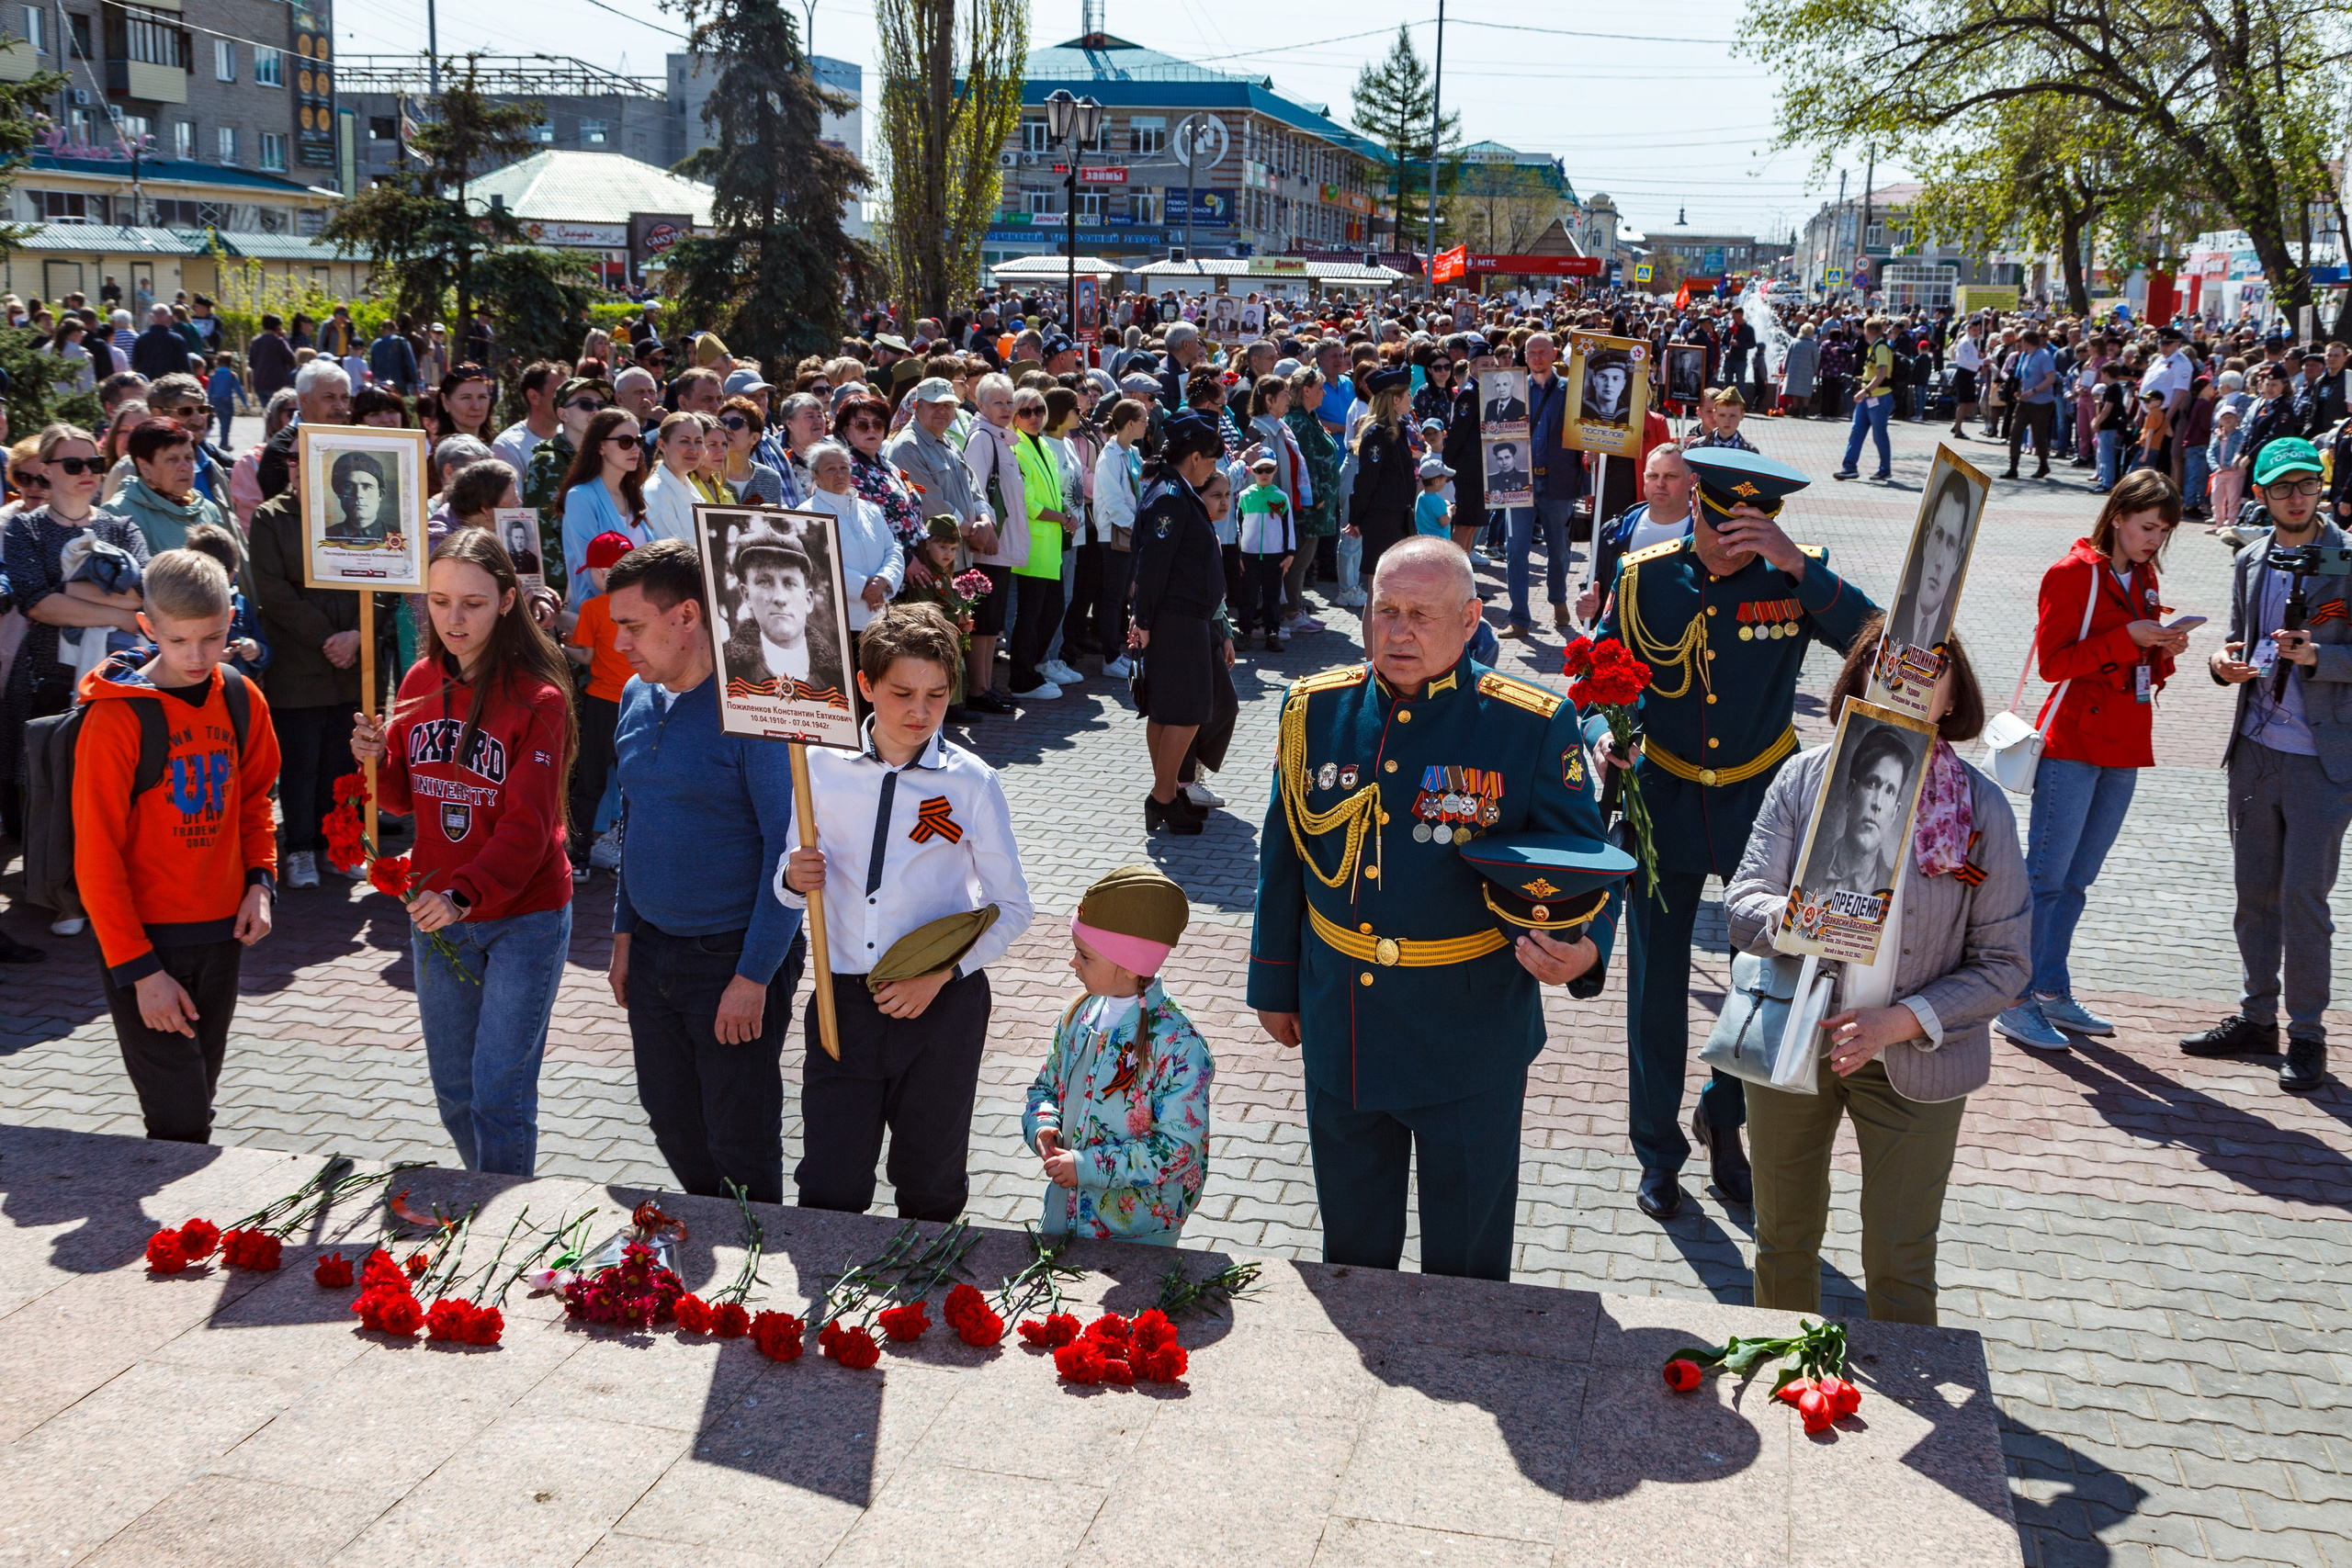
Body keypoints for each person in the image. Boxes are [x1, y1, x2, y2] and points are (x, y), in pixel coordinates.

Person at [1248, 536, 1617, 1281]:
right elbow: (1284, 852)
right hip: (1342, 1022)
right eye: (1384, 612)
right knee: (1350, 1261)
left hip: (1469, 1034)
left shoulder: (1530, 723)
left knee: (1470, 1270)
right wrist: (1275, 984)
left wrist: (1587, 950)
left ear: (1472, 618)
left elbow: (1590, 863)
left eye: (1421, 614)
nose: (1398, 632)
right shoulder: (1315, 710)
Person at [1593, 446, 1879, 1219]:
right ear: (1695, 505)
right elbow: (1596, 670)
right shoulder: (1644, 574)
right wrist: (1598, 733)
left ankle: (1727, 1117)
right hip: (1663, 797)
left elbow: (1877, 643)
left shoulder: (1793, 576)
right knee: (1655, 988)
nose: (1732, 544)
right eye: (1722, 526)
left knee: (1763, 978)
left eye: (1751, 531)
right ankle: (1657, 1150)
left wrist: (1797, 566)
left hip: (1764, 801)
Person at [1727, 621, 2028, 1324]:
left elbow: (2006, 964)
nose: (1907, 680)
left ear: (1953, 697)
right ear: (1858, 678)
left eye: (1930, 668)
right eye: (1888, 664)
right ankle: (1790, 1384)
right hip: (1794, 1037)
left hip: (1919, 1056)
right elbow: (1741, 905)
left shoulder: (1980, 809)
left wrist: (1900, 1021)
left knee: (1900, 1258)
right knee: (1783, 1241)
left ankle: (1906, 1420)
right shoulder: (1805, 777)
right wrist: (1800, 916)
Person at [776, 603, 1035, 1218]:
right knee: (831, 1182)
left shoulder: (970, 781)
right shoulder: (816, 766)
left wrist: (939, 976)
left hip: (941, 1005)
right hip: (843, 1002)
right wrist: (791, 876)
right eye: (902, 693)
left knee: (930, 1182)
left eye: (937, 695)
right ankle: (829, 1308)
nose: (920, 712)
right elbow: (789, 887)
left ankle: (924, 1309)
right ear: (865, 686)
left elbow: (1013, 906)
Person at [349, 528, 577, 1177]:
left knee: (498, 1095)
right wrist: (376, 758)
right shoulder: (418, 678)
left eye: (472, 603)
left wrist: (462, 893)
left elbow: (529, 829)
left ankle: (500, 1220)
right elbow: (398, 796)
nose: (453, 617)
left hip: (521, 916)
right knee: (455, 1091)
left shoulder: (540, 698)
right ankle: (489, 1194)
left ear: (507, 600)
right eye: (440, 600)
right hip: (436, 913)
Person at [602, 539, 808, 1201]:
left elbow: (790, 851)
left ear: (687, 617)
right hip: (654, 948)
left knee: (738, 1136)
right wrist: (624, 934)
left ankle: (750, 1263)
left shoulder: (756, 707)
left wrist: (754, 975)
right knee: (670, 1118)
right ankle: (714, 1228)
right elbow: (638, 815)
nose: (620, 645)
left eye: (632, 626)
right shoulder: (637, 695)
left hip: (732, 958)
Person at [71, 549, 280, 1143]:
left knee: (198, 1100)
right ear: (147, 628)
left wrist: (259, 882)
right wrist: (140, 972)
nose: (196, 656)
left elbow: (255, 799)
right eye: (180, 640)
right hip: (147, 943)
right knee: (181, 1118)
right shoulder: (115, 720)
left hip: (220, 934)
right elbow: (96, 855)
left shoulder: (241, 696)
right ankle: (162, 1236)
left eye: (212, 638)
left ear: (232, 618)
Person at [1994, 469, 2188, 1052]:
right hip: (2073, 742)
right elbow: (2054, 663)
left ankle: (2051, 988)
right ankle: (2013, 998)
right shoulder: (2072, 573)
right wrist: (2128, 636)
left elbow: (2134, 660)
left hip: (2124, 741)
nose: (2154, 539)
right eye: (2146, 526)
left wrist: (2162, 646)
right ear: (2117, 517)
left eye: (2164, 530)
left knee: (2078, 880)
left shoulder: (2145, 575)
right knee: (2046, 878)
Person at [2182, 438, 2347, 1092]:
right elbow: (2232, 640)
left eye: (2307, 484)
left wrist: (2319, 659)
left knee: (2304, 901)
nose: (2297, 497)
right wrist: (2221, 666)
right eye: (2282, 488)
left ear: (2322, 486)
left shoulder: (2349, 557)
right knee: (2254, 898)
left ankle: (2306, 1033)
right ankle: (2257, 1017)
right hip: (2253, 752)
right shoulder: (2250, 557)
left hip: (2321, 762)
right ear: (2261, 495)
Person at [1023, 864, 1213, 1243]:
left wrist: (1087, 1168)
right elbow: (1045, 1087)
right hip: (1066, 1216)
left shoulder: (1178, 1045)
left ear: (1129, 965)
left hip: (1138, 1234)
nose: (1072, 963)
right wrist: (1043, 1126)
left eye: (1085, 956)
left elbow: (1176, 1150)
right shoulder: (1078, 1015)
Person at [3, 426, 151, 855]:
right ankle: (60, 893)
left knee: (112, 790)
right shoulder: (25, 528)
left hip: (113, 681)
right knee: (48, 794)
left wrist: (71, 593)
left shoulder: (120, 527)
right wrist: (117, 609)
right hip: (44, 680)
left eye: (94, 464)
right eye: (73, 465)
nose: (87, 473)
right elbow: (36, 603)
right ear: (46, 470)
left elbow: (145, 593)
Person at [1128, 414, 1230, 835]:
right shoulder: (1172, 496)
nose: (1212, 467)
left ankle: (1166, 794)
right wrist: (1146, 620)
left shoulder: (1175, 490)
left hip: (1181, 617)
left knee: (1167, 710)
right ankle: (1163, 797)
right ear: (1193, 457)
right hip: (1176, 619)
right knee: (1187, 712)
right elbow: (1153, 564)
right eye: (1210, 459)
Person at [562, 531, 636, 881]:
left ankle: (578, 858)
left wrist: (562, 649)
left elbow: (586, 656)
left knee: (589, 783)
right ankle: (629, 854)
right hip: (638, 703)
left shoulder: (593, 608)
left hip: (603, 704)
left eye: (592, 570)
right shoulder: (644, 607)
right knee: (633, 786)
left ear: (604, 574)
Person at [719, 519, 849, 707]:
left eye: (789, 583)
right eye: (764, 582)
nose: (780, 598)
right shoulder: (725, 670)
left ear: (808, 600)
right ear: (747, 596)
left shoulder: (840, 678)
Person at [958, 373, 1028, 712]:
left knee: (991, 623)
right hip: (988, 546)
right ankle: (978, 690)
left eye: (1009, 401)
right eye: (997, 402)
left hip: (1001, 545)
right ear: (981, 405)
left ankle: (985, 686)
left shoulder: (1000, 437)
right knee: (983, 622)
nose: (1005, 408)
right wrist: (983, 535)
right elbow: (974, 491)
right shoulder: (983, 438)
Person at [1577, 442, 1694, 624]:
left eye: (1671, 476)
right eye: (1653, 476)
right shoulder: (1614, 531)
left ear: (1691, 481)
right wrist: (1587, 603)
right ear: (1644, 478)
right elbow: (1596, 585)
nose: (1660, 484)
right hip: (1625, 645)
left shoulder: (1709, 534)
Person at [1006, 388, 1070, 701]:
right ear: (1015, 416)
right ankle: (1021, 679)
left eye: (1039, 411)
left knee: (1053, 609)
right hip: (1033, 544)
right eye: (1026, 412)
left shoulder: (1043, 443)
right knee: (1030, 616)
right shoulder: (1016, 447)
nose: (1034, 417)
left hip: (1051, 543)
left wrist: (1066, 512)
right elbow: (1029, 504)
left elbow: (1053, 492)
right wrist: (1061, 517)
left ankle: (1031, 669)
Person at [559, 409, 651, 599]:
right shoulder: (580, 497)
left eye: (639, 441)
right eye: (626, 441)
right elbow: (594, 576)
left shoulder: (635, 495)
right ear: (600, 446)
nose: (636, 449)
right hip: (599, 617)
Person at [103, 417, 227, 557]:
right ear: (145, 467)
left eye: (189, 458)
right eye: (172, 459)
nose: (185, 467)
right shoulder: (119, 514)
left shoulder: (209, 510)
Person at [1887, 465, 1975, 653]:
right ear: (1927, 537)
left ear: (1958, 559)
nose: (1939, 562)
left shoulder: (1950, 645)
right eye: (1938, 535)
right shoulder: (1892, 619)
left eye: (1951, 543)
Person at [1346, 367, 1416, 586]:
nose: (1411, 398)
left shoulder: (1398, 427)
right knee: (1379, 586)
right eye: (1407, 395)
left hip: (1399, 516)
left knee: (1395, 585)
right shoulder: (1377, 433)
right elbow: (1366, 479)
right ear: (1395, 399)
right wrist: (1355, 519)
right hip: (1382, 519)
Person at [1234, 452, 1295, 651]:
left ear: (1275, 470)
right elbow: (1237, 526)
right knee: (1248, 596)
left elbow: (1289, 528)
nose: (1264, 474)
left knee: (1272, 597)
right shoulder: (1244, 496)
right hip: (1249, 555)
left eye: (1268, 469)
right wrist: (1238, 554)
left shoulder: (1281, 497)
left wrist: (1290, 554)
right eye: (1259, 470)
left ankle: (1272, 633)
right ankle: (1245, 632)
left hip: (1274, 555)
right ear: (1252, 471)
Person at [1831, 317, 1896, 481]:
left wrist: (1865, 391)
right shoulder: (1874, 347)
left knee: (1879, 435)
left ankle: (1884, 469)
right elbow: (1876, 372)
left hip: (1878, 397)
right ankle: (1849, 467)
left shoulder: (1880, 348)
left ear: (1869, 331)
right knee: (1856, 432)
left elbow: (1882, 373)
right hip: (1870, 397)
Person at [1414, 457, 1453, 540]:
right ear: (1436, 481)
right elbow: (1444, 522)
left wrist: (1443, 504)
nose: (1445, 483)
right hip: (1439, 543)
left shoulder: (1421, 496)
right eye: (1445, 480)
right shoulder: (1437, 502)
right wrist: (1450, 511)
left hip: (1423, 540)